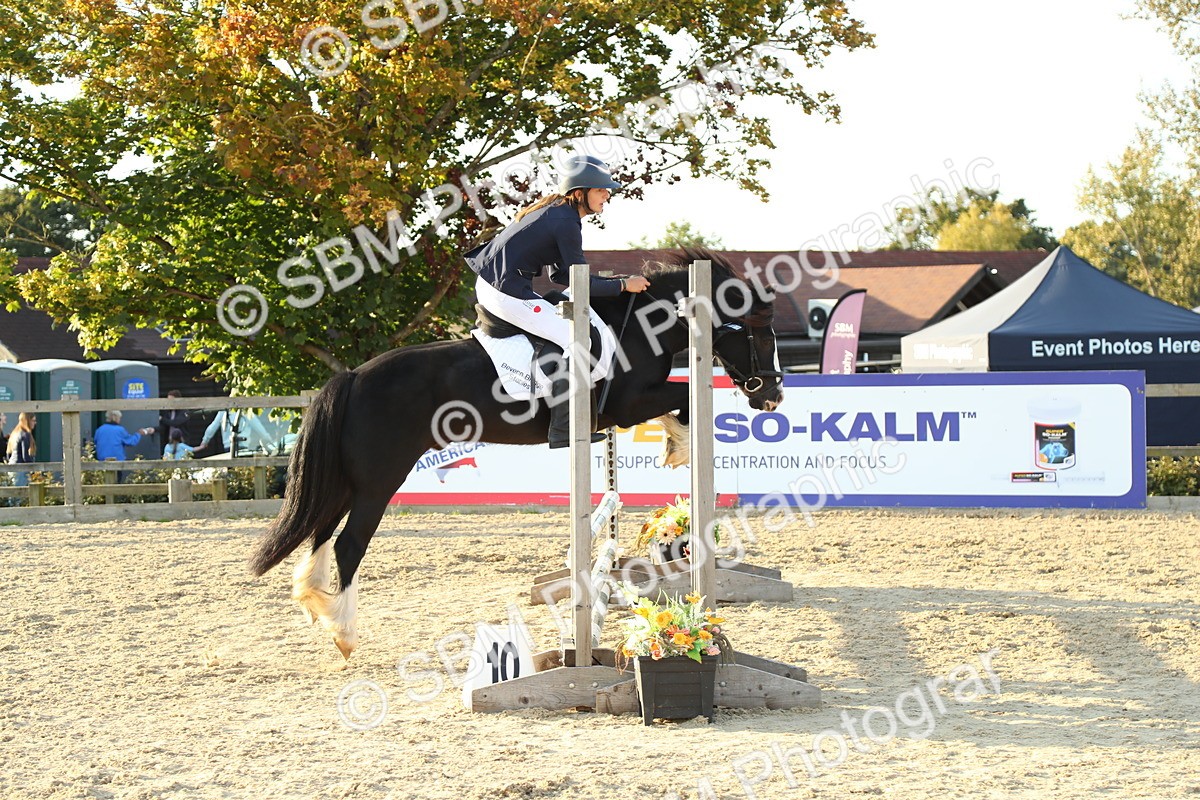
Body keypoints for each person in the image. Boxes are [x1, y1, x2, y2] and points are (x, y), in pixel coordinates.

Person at [464, 154, 650, 448]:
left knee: (561, 314)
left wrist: (617, 284)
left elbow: (562, 275)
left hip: (497, 285)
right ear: (580, 192)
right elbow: (579, 282)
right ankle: (564, 429)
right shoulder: (565, 222)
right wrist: (624, 284)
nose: (607, 196)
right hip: (504, 292)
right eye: (601, 190)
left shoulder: (559, 213)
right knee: (578, 339)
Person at [93, 410, 155, 476]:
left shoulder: (99, 430)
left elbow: (96, 442)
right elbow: (132, 442)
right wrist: (139, 433)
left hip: (101, 462)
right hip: (117, 462)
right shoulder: (119, 430)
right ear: (116, 418)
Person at [6, 412, 36, 487]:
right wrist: (34, 468)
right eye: (33, 420)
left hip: (11, 466)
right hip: (20, 469)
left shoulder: (15, 433)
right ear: (27, 421)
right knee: (19, 495)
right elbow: (25, 456)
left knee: (13, 494)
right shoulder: (25, 434)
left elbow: (8, 454)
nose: (35, 423)